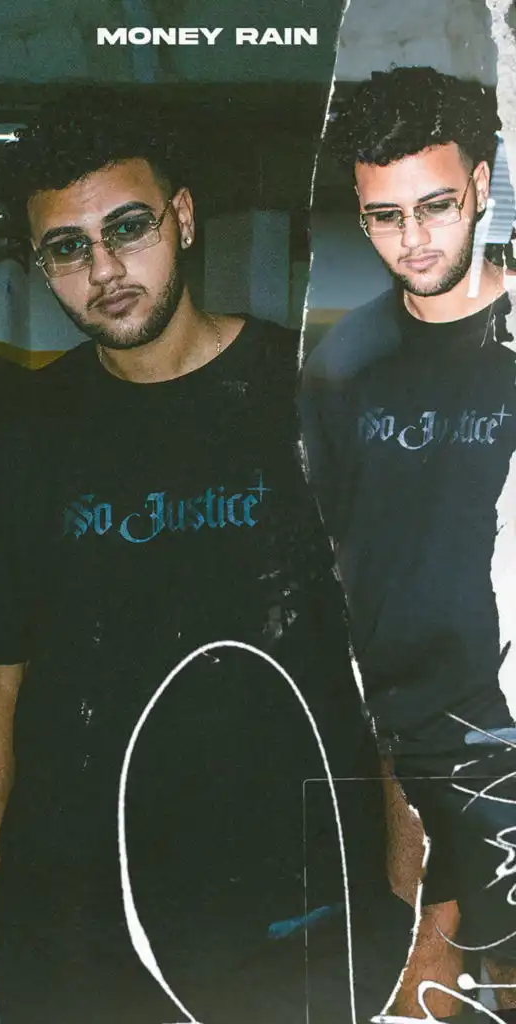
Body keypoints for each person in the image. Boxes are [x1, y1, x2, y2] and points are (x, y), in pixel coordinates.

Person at [0, 99, 403, 1023]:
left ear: (182, 217)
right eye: (66, 248)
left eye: (128, 228)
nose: (103, 270)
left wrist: (423, 905)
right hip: (80, 931)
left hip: (304, 914)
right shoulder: (18, 440)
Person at [301, 65, 516, 1018]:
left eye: (435, 206)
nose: (414, 239)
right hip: (405, 755)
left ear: (481, 185)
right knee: (418, 985)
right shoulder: (344, 367)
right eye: (384, 216)